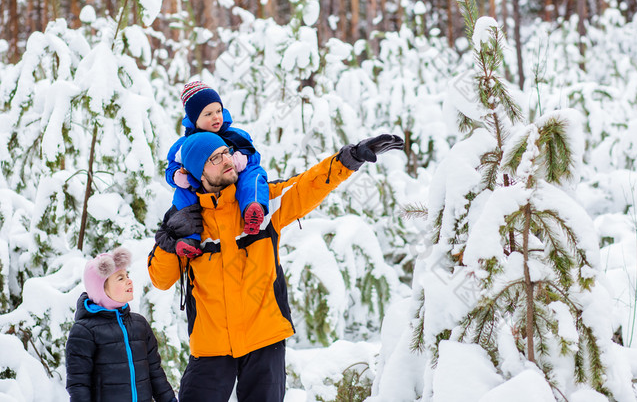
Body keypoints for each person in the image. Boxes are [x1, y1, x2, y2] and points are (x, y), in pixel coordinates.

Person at [148, 132, 404, 402]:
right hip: (211, 346)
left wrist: (349, 159)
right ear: (199, 173)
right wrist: (169, 240)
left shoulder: (261, 203)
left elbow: (307, 185)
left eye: (226, 152)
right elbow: (161, 279)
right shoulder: (185, 221)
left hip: (264, 339)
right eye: (214, 158)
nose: (226, 160)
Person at [165, 81, 269, 258]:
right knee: (182, 195)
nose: (216, 117)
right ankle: (189, 239)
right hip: (201, 184)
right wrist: (175, 176)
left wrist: (244, 156)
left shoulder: (235, 135)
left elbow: (253, 153)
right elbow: (171, 167)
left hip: (233, 176)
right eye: (208, 114)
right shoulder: (184, 146)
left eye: (218, 111)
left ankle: (253, 206)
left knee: (253, 174)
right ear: (194, 119)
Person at [65, 247, 176, 402]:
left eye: (127, 275)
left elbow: (155, 372)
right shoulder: (84, 331)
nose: (128, 280)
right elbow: (78, 384)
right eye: (120, 278)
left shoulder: (139, 325)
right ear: (101, 289)